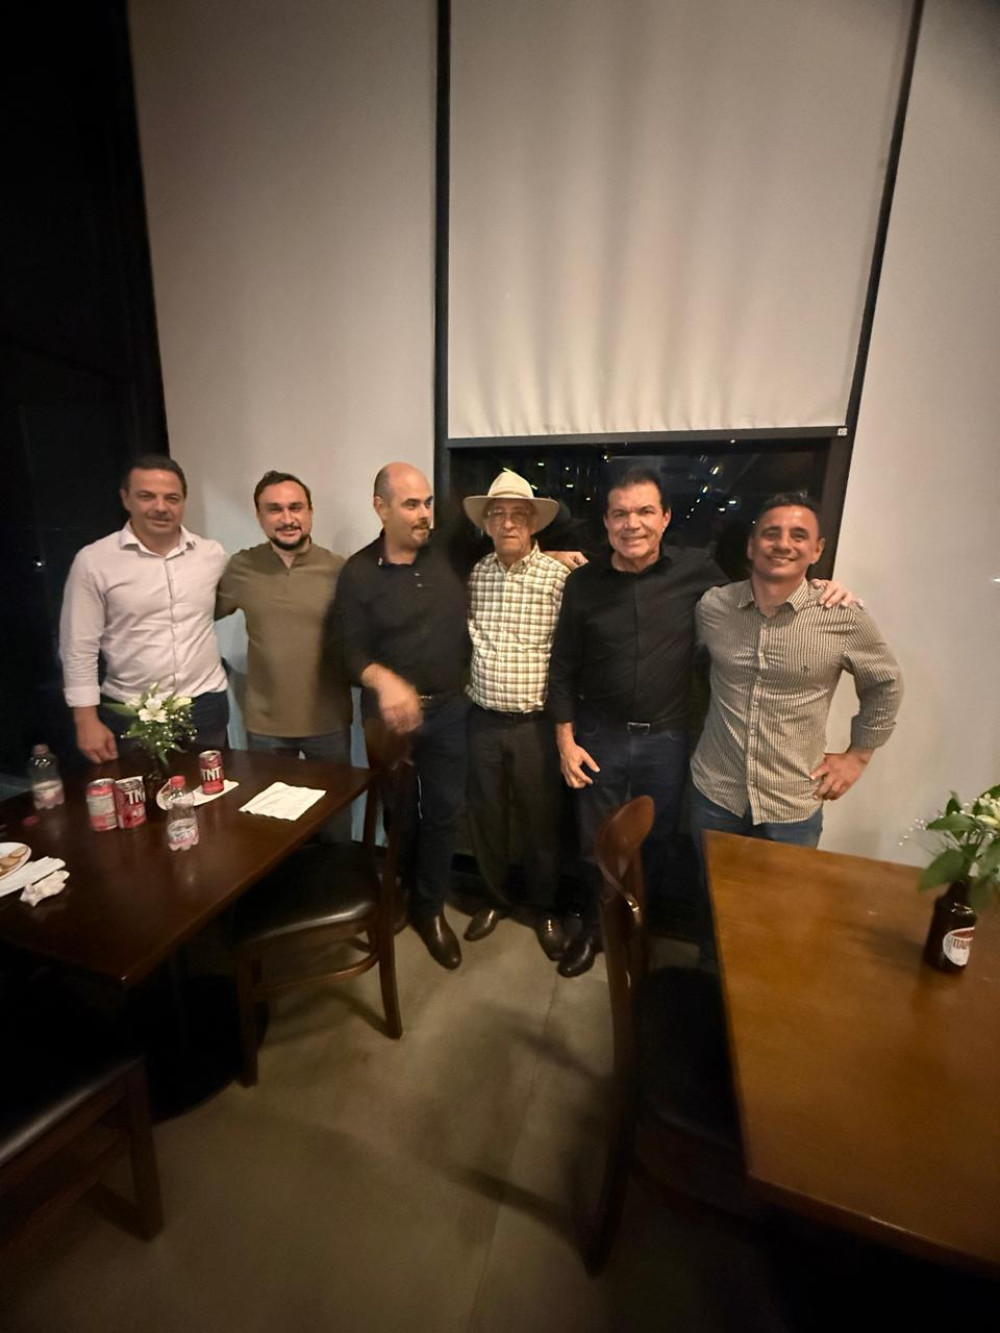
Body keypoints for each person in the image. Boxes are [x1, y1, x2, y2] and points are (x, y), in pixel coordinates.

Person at [547, 470, 854, 977]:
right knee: (595, 842)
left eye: (645, 511)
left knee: (659, 842)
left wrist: (819, 586)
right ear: (606, 522)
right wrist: (565, 739)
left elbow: (763, 590)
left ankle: (639, 931)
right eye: (620, 513)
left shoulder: (697, 573)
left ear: (666, 517)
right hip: (598, 737)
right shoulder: (583, 583)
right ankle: (597, 930)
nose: (632, 523)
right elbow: (561, 666)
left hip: (667, 740)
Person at [689, 491, 902, 868]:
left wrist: (858, 757)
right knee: (711, 897)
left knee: (783, 904)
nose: (783, 544)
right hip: (715, 795)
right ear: (752, 545)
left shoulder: (842, 616)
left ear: (817, 550)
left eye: (798, 535)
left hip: (790, 807)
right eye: (771, 533)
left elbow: (885, 685)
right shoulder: (714, 607)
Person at [329, 463, 470, 969]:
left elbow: (512, 533)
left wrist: (553, 553)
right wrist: (383, 679)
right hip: (387, 720)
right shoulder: (358, 572)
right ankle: (402, 892)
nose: (425, 513)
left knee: (445, 813)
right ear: (380, 507)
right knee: (400, 814)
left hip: (449, 709)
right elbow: (347, 652)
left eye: (427, 502)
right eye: (411, 504)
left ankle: (430, 909)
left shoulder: (449, 552)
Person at [462, 471, 570, 961]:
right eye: (498, 514)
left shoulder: (558, 578)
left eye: (518, 515)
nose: (508, 523)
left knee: (540, 823)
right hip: (482, 720)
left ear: (533, 524)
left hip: (535, 726)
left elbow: (571, 654)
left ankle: (544, 908)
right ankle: (494, 899)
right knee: (486, 818)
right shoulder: (474, 576)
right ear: (486, 523)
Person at [60, 454, 229, 763]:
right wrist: (85, 718)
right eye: (147, 496)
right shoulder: (94, 561)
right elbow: (78, 646)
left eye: (172, 498)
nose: (161, 507)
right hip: (131, 709)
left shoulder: (212, 555)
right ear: (126, 499)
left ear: (183, 501)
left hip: (205, 704)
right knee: (142, 791)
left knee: (214, 789)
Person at [215, 470, 353, 839]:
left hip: (328, 720)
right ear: (259, 516)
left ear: (310, 512)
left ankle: (336, 873)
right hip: (266, 725)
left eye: (295, 507)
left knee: (335, 823)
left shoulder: (339, 570)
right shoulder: (241, 568)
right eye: (274, 509)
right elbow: (193, 618)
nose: (287, 518)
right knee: (271, 828)